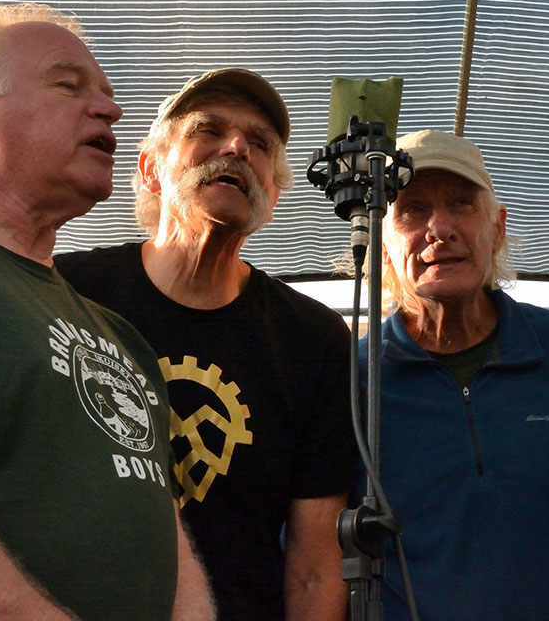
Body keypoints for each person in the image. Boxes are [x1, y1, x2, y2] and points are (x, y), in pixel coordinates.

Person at [0, 3, 213, 619]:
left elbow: (164, 536)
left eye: (105, 91)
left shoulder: (121, 336)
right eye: (67, 85)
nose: (112, 109)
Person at [55, 67, 355, 620]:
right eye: (207, 130)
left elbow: (315, 568)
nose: (237, 146)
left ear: (276, 189)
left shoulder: (314, 340)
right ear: (150, 170)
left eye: (260, 144)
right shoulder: (61, 291)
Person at [361, 129, 549, 621]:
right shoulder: (352, 382)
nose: (440, 228)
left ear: (496, 227)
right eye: (412, 209)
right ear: (381, 241)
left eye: (462, 203)